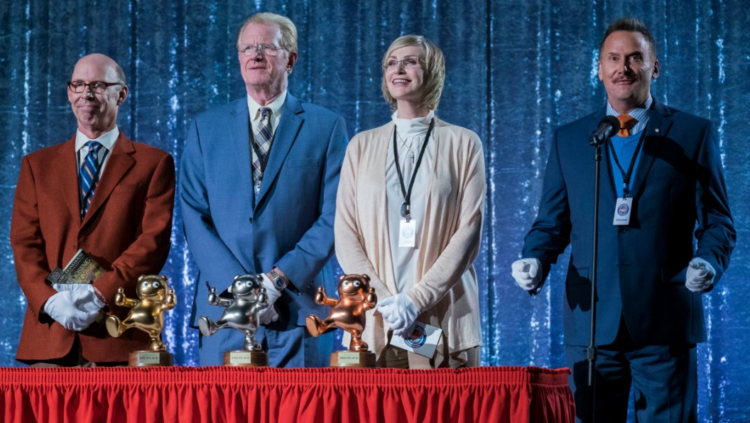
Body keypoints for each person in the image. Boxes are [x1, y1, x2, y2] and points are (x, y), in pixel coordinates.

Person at [511, 17, 735, 422]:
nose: (623, 68)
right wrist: (535, 258)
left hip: (665, 319)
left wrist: (707, 261)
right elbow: (551, 223)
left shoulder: (692, 133)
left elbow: (718, 220)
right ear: (599, 69)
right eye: (613, 59)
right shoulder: (571, 139)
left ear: (655, 67)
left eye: (634, 58)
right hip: (592, 322)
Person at [180, 12, 349, 367]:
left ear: (291, 59)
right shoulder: (205, 128)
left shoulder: (327, 127)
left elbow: (335, 214)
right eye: (247, 48)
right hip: (226, 311)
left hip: (298, 310)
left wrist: (277, 281)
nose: (256, 55)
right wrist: (240, 289)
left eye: (268, 47)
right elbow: (194, 214)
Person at [10, 53, 175, 366]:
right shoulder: (37, 165)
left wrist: (100, 293)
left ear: (121, 95)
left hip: (119, 336)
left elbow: (152, 242)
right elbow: (24, 243)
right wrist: (49, 301)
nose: (86, 93)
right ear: (69, 92)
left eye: (98, 85)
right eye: (78, 84)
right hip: (49, 336)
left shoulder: (154, 163)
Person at [335, 35, 486, 369]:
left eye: (411, 61)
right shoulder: (361, 146)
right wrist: (385, 301)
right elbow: (345, 232)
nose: (398, 69)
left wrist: (415, 300)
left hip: (444, 318)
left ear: (432, 72)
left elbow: (469, 231)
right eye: (391, 62)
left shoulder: (464, 143)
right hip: (377, 317)